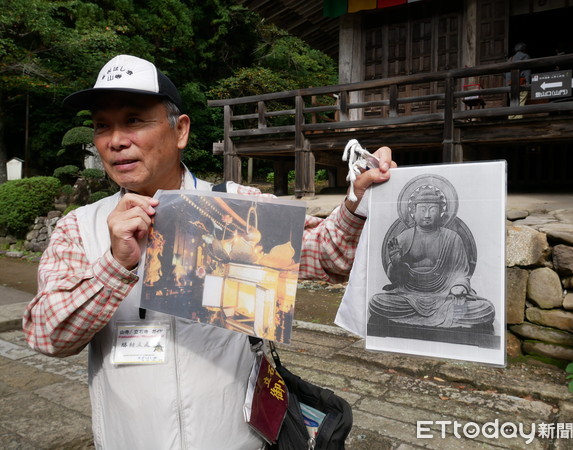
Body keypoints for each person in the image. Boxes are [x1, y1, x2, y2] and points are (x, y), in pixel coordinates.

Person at [22, 54, 395, 449]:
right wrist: (115, 265)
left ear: (179, 130)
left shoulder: (235, 207)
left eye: (134, 120)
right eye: (102, 126)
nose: (115, 140)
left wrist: (354, 202)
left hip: (238, 439)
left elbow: (327, 258)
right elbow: (48, 337)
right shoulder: (80, 227)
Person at [368, 185, 495, 331]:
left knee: (485, 309)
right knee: (376, 302)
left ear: (441, 212)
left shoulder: (452, 238)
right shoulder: (404, 238)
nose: (427, 214)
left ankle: (437, 316)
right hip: (410, 296)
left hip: (445, 295)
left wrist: (458, 286)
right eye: (422, 209)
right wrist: (396, 264)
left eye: (433, 209)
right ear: (413, 212)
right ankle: (441, 318)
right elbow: (396, 280)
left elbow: (461, 271)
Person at [506, 42, 531, 119]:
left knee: (513, 103)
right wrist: (527, 82)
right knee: (521, 102)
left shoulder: (510, 59)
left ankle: (511, 118)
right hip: (521, 83)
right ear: (523, 49)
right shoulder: (525, 56)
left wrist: (507, 83)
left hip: (511, 84)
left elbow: (505, 73)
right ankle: (518, 119)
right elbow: (527, 71)